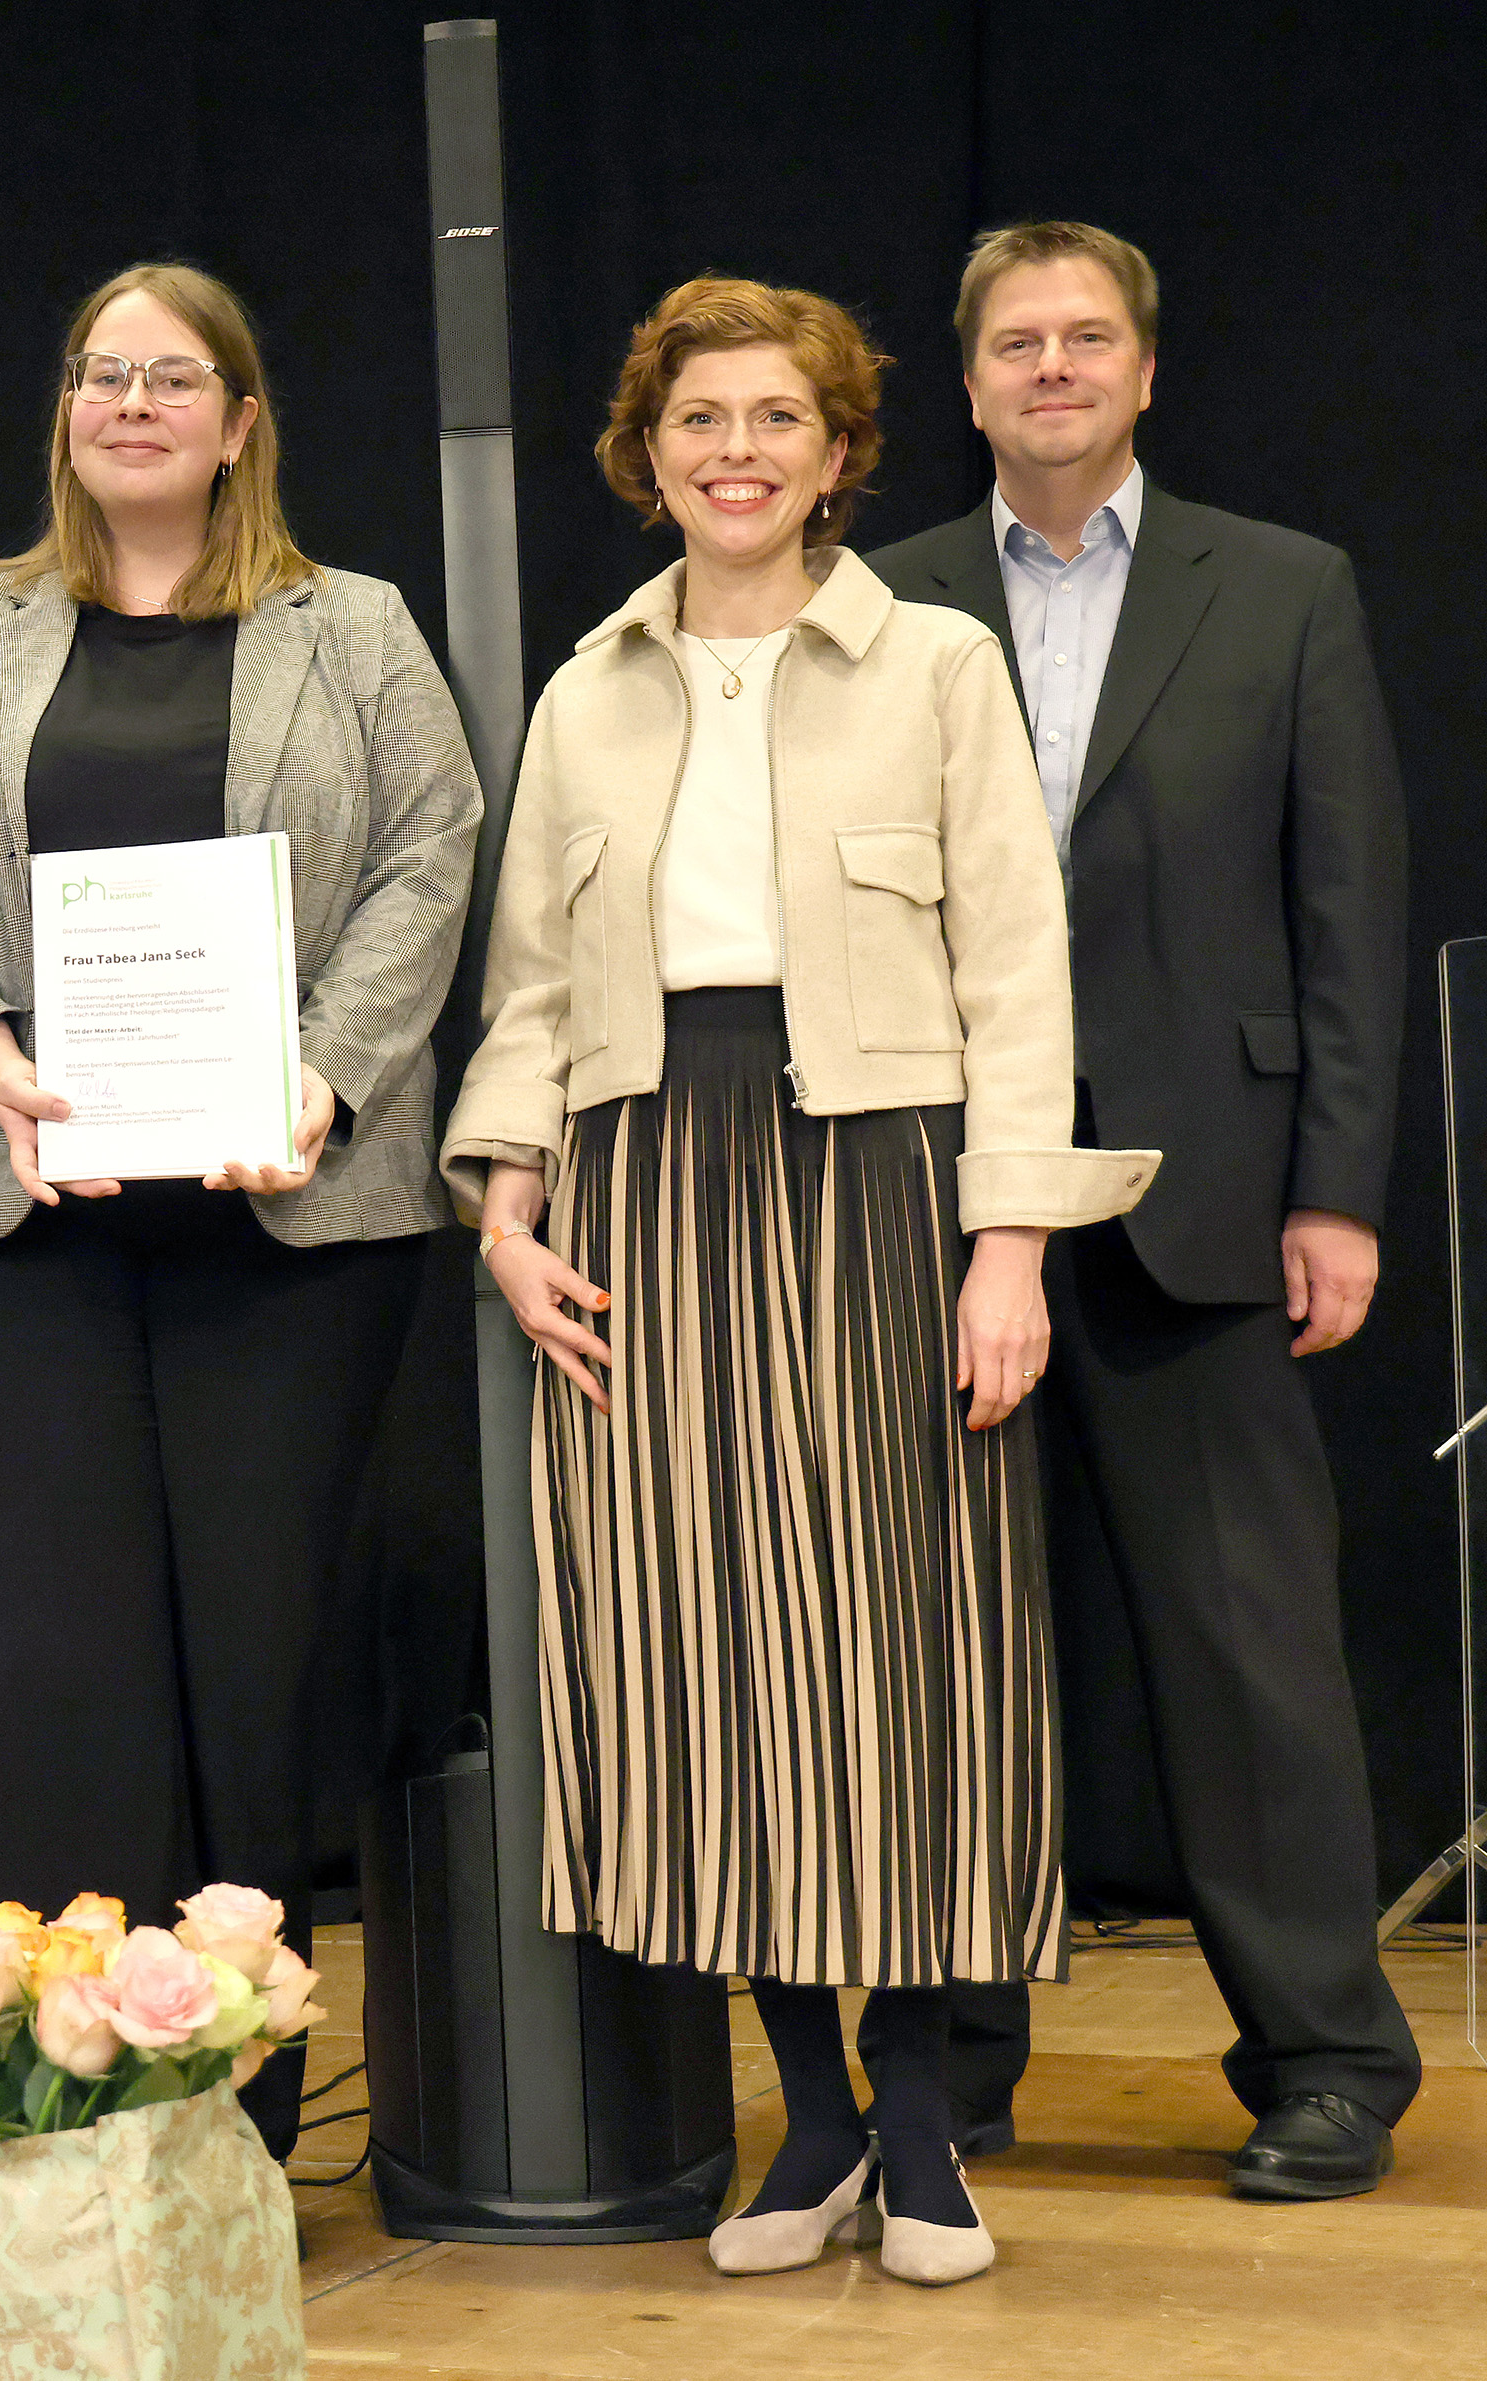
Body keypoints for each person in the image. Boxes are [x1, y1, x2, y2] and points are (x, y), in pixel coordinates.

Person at [446, 277, 1154, 2287]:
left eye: (773, 419)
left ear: (839, 450)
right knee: (697, 1653)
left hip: (877, 1180)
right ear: (643, 452)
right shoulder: (583, 687)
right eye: (696, 422)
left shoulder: (930, 665)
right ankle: (809, 2117)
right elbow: (519, 990)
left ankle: (921, 2116)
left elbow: (1017, 972)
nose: (732, 453)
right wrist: (502, 1215)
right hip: (640, 1184)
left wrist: (1002, 1240)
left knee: (891, 1647)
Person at [0, 261, 482, 2162]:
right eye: (101, 373)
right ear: (66, 411)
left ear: (239, 417)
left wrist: (326, 1070)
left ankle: (226, 2131)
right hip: (10, 1213)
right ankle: (51, 2114)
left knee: (253, 1668)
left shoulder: (348, 628)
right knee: (47, 1676)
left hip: (287, 1223)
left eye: (173, 376)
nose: (133, 403)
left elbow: (434, 858)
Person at [865, 221, 1415, 2200]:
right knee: (946, 1657)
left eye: (1081, 336)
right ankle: (948, 2063)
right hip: (932, 1212)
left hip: (1202, 1197)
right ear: (964, 380)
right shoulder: (881, 598)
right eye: (1010, 341)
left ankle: (1324, 2060)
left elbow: (1343, 916)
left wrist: (1333, 1192)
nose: (1046, 366)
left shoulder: (1278, 589)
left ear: (1141, 370)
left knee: (1247, 1659)